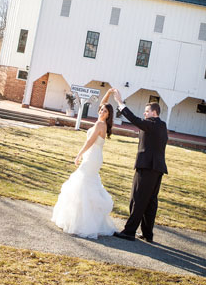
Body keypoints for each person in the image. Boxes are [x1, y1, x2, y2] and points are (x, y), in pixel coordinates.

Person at [51, 90, 118, 238]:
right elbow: (103, 103)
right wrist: (108, 92)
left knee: (82, 184)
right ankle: (84, 218)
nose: (101, 111)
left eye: (104, 110)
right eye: (100, 109)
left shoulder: (100, 124)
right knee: (87, 184)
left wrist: (79, 154)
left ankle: (81, 222)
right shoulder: (103, 122)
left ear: (108, 114)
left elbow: (89, 141)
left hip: (92, 157)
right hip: (95, 156)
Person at [110, 88, 168, 243]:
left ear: (154, 113)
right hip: (157, 169)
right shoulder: (162, 125)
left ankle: (129, 232)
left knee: (137, 199)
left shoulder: (152, 124)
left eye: (147, 111)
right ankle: (147, 234)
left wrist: (120, 103)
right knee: (150, 202)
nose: (145, 114)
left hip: (147, 167)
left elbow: (135, 119)